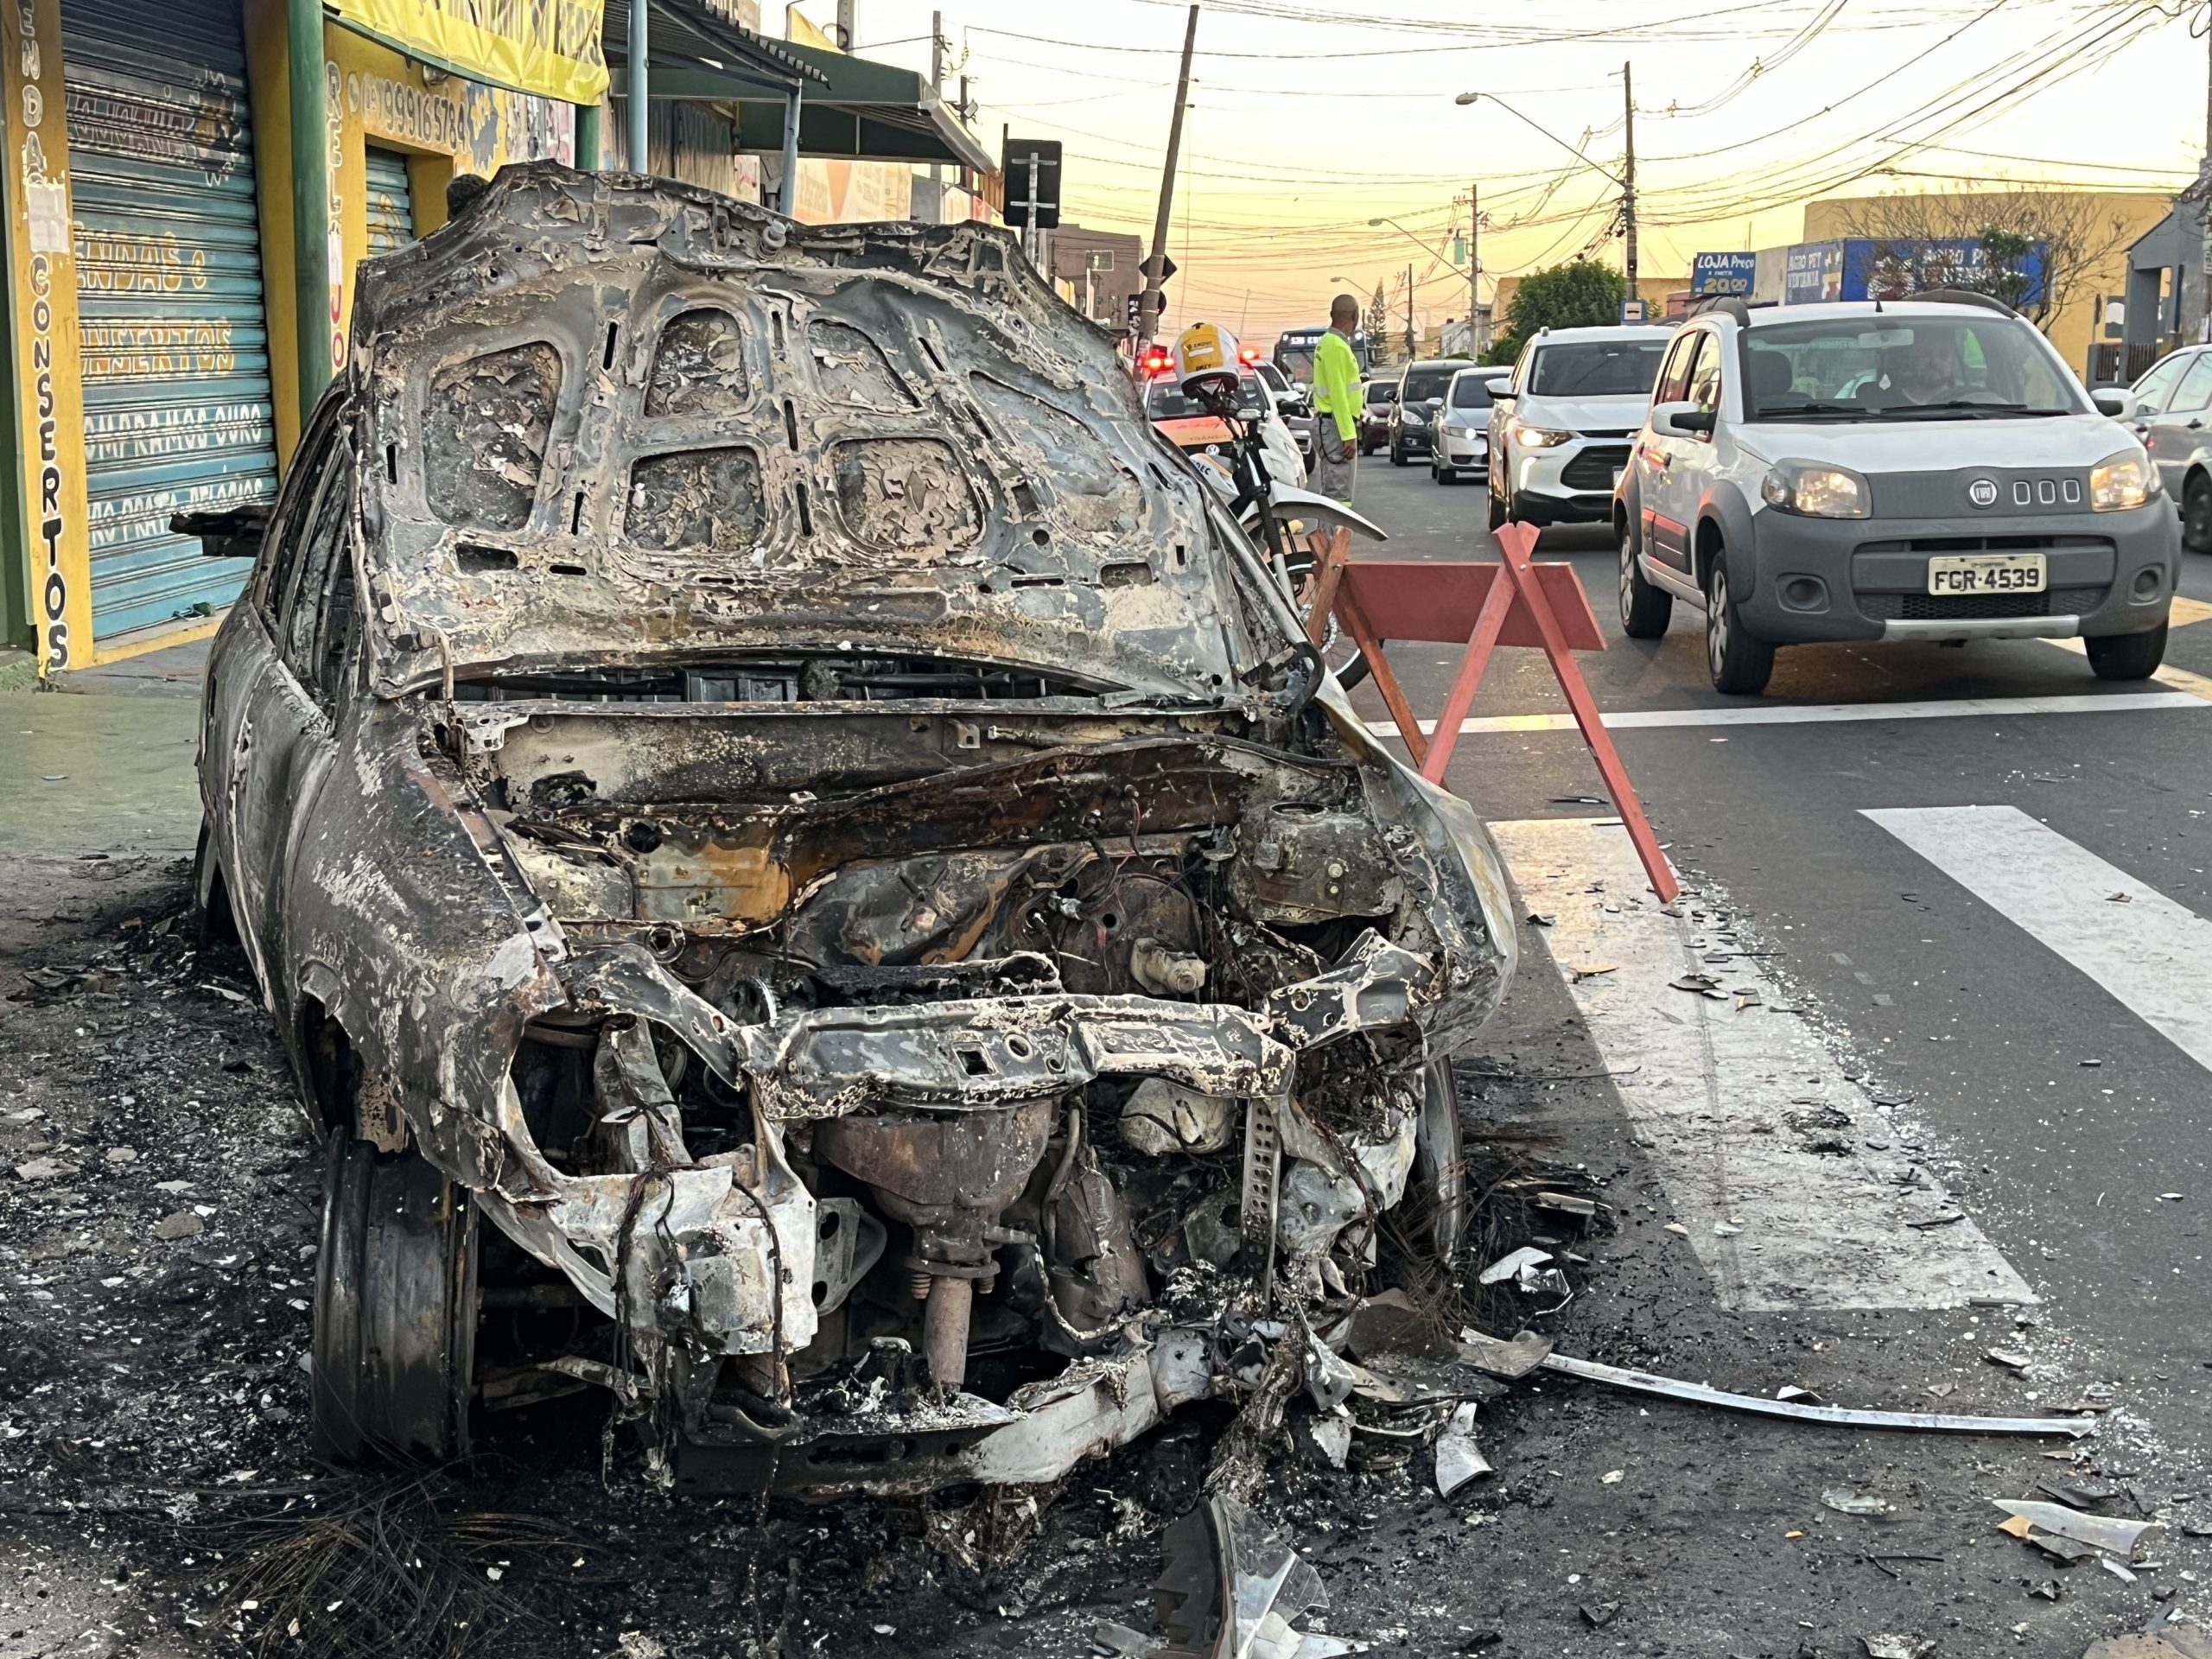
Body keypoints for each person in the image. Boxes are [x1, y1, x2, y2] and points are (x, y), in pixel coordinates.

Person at [1310, 293, 1363, 504]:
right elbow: (1338, 393)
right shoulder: (1337, 346)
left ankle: (1328, 536)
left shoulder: (1329, 342)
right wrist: (1348, 433)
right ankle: (1332, 537)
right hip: (1336, 427)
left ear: (1332, 314)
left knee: (1333, 492)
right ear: (1355, 316)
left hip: (1330, 424)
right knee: (1339, 496)